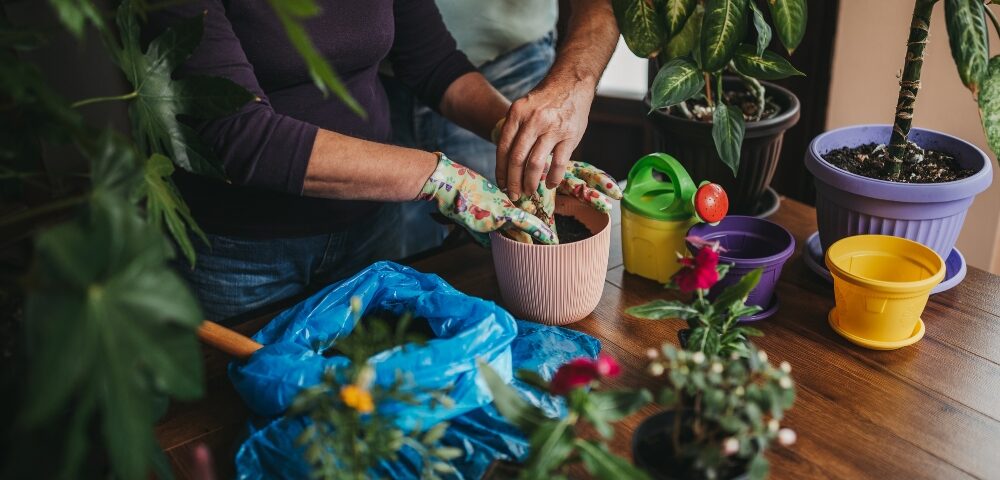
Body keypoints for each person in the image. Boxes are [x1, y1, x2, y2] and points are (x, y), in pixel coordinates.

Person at [150, 1, 620, 322]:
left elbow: (432, 62)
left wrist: (519, 138)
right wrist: (441, 178)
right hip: (239, 256)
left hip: (368, 233)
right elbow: (237, 134)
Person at [385, 0, 621, 256]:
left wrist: (574, 82)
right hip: (377, 81)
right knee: (408, 256)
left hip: (496, 62)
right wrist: (439, 177)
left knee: (500, 245)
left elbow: (433, 65)